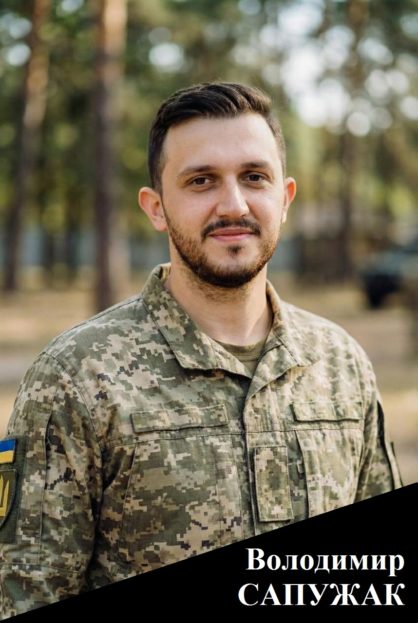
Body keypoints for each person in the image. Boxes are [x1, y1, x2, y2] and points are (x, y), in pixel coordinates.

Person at [0, 82, 402, 618]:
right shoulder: (77, 375)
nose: (233, 204)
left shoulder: (340, 363)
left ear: (285, 199)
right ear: (157, 208)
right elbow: (24, 593)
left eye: (254, 177)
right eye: (201, 181)